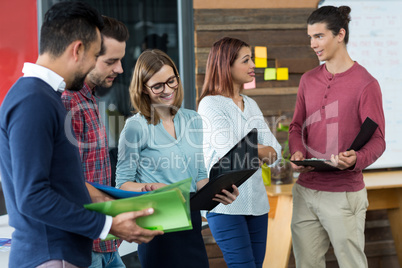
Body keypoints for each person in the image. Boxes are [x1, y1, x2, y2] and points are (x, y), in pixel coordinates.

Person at [0, 2, 162, 268]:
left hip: (58, 253)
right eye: (96, 55)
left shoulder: (41, 96)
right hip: (52, 255)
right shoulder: (34, 100)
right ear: (77, 50)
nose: (94, 67)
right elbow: (32, 197)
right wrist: (107, 224)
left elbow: (66, 184)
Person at [115, 49, 239, 268]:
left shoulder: (193, 119)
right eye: (157, 86)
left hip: (190, 222)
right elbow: (122, 183)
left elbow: (199, 175)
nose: (168, 90)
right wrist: (154, 188)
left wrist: (219, 191)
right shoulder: (136, 127)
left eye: (171, 81)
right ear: (143, 88)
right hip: (156, 226)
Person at [289, 5, 386, 268]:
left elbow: (378, 140)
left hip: (343, 194)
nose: (313, 44)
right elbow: (296, 126)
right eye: (310, 37)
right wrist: (297, 151)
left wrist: (356, 158)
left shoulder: (366, 84)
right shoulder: (308, 80)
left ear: (340, 34)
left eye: (319, 36)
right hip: (305, 192)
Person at [197, 37, 282, 268]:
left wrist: (259, 151)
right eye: (246, 60)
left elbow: (277, 153)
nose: (253, 65)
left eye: (252, 59)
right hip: (226, 206)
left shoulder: (251, 104)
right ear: (227, 65)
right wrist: (262, 150)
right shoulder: (210, 104)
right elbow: (231, 152)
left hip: (258, 205)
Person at [62, 15, 129, 268]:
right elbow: (69, 183)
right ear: (86, 55)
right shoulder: (69, 102)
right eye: (111, 61)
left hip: (106, 243)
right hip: (85, 246)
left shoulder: (88, 98)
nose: (120, 69)